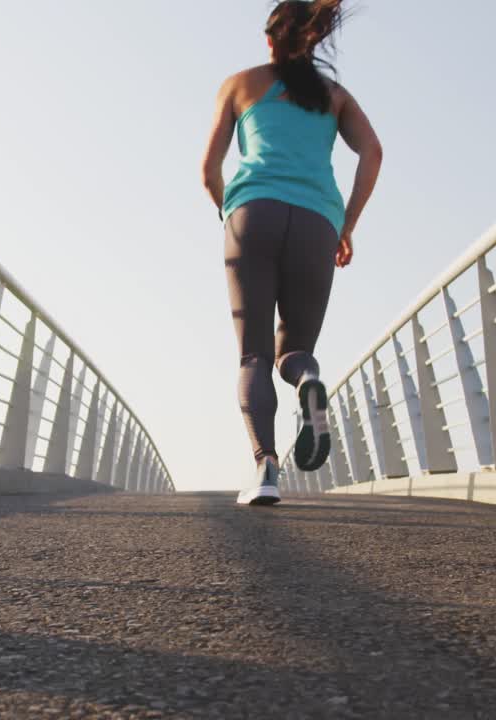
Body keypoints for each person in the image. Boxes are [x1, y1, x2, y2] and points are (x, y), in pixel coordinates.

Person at [201, 0, 383, 505]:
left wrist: (228, 215)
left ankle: (265, 469)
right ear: (314, 40)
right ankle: (308, 380)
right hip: (316, 222)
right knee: (293, 351)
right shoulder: (335, 96)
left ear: (270, 39)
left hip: (251, 215)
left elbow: (208, 171)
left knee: (254, 353)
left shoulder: (239, 84)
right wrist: (346, 225)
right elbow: (373, 152)